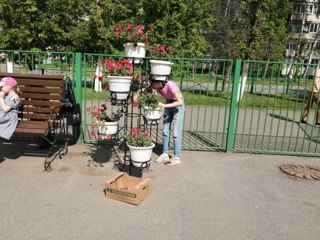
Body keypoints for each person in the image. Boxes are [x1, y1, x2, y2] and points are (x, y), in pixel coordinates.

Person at [138, 76, 185, 166]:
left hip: (178, 106)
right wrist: (139, 93)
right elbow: (146, 89)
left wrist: (164, 105)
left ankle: (177, 157)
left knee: (175, 133)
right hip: (168, 103)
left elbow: (180, 102)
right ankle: (165, 154)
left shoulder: (171, 86)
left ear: (159, 82)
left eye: (153, 83)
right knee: (165, 131)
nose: (152, 85)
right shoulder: (156, 85)